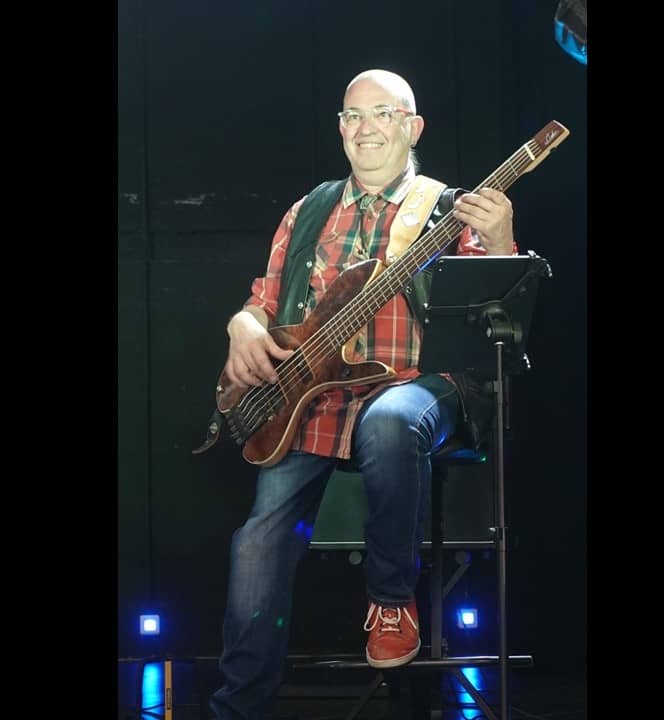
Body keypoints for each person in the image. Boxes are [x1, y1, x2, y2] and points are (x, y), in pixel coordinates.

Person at [209, 68, 517, 720]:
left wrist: (499, 242)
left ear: (413, 127)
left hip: (420, 391)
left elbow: (502, 315)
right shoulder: (309, 209)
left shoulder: (445, 208)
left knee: (389, 420)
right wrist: (241, 324)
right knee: (258, 542)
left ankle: (390, 601)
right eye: (354, 116)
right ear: (341, 129)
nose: (367, 127)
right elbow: (263, 305)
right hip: (311, 400)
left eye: (384, 113)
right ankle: (237, 708)